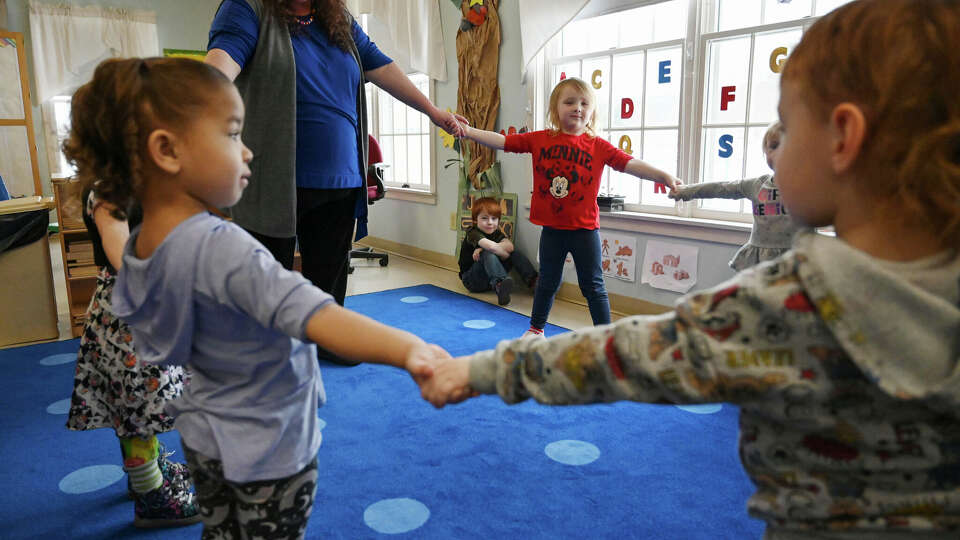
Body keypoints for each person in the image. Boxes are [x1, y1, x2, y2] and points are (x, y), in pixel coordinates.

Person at [422, 0, 960, 537]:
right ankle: (537, 317)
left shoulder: (787, 302)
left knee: (591, 285)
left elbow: (623, 357)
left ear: (843, 138)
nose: (775, 151)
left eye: (788, 129)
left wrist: (482, 370)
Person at [63, 56, 448, 540]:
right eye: (230, 135)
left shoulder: (145, 247)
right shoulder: (222, 248)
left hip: (207, 440)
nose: (248, 153)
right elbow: (317, 313)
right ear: (167, 150)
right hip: (267, 449)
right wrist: (409, 349)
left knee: (225, 530)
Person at [204, 0, 465, 365]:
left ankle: (327, 339)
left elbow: (383, 66)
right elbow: (220, 65)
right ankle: (262, 355)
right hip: (275, 178)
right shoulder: (248, 8)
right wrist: (194, 107)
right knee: (265, 280)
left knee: (327, 277)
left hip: (341, 177)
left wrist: (434, 111)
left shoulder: (337, 18)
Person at [458, 77, 680, 337]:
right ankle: (536, 330)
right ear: (555, 109)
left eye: (585, 103)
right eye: (570, 102)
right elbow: (503, 142)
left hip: (585, 231)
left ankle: (606, 337)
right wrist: (469, 131)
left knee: (593, 286)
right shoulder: (541, 139)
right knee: (547, 283)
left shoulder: (598, 146)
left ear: (592, 112)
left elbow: (630, 163)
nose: (577, 107)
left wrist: (663, 176)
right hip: (553, 231)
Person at [64, 185, 199, 527]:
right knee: (135, 402)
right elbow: (122, 256)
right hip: (132, 317)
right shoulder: (110, 190)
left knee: (142, 399)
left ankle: (149, 467)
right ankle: (150, 494)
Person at [669, 121, 810, 271]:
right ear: (766, 152)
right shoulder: (757, 185)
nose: (778, 153)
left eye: (787, 146)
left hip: (798, 257)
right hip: (761, 258)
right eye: (773, 146)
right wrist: (685, 191)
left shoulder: (810, 186)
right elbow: (722, 188)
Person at [458, 197, 537, 306]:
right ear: (475, 220)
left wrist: (486, 248)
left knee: (514, 254)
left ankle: (534, 281)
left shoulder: (496, 233)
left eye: (494, 219)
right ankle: (500, 285)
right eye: (484, 218)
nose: (490, 222)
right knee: (487, 253)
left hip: (489, 279)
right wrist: (497, 251)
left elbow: (510, 247)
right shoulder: (473, 233)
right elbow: (491, 248)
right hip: (472, 280)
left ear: (498, 220)